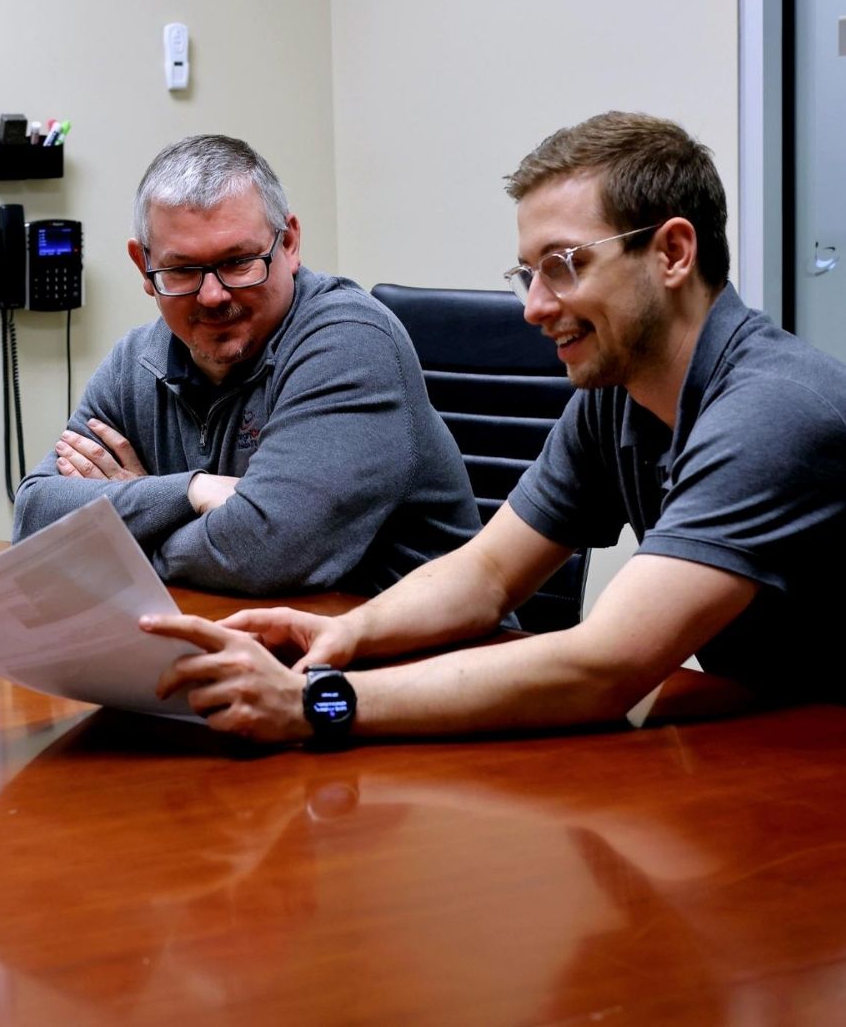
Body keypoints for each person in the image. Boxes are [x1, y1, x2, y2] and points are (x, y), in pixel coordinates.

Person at [143, 112, 846, 743]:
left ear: (670, 254)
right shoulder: (617, 396)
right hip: (772, 741)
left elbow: (603, 667)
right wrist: (343, 634)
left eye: (563, 266)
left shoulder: (774, 411)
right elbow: (486, 573)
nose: (534, 308)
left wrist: (316, 701)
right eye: (527, 274)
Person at [12, 134, 480, 596]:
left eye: (238, 262)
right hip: (252, 645)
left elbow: (267, 551)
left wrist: (125, 536)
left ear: (290, 243)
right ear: (143, 267)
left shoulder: (349, 341)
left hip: (426, 658)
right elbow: (34, 521)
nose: (212, 296)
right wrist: (190, 491)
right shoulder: (135, 362)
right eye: (183, 270)